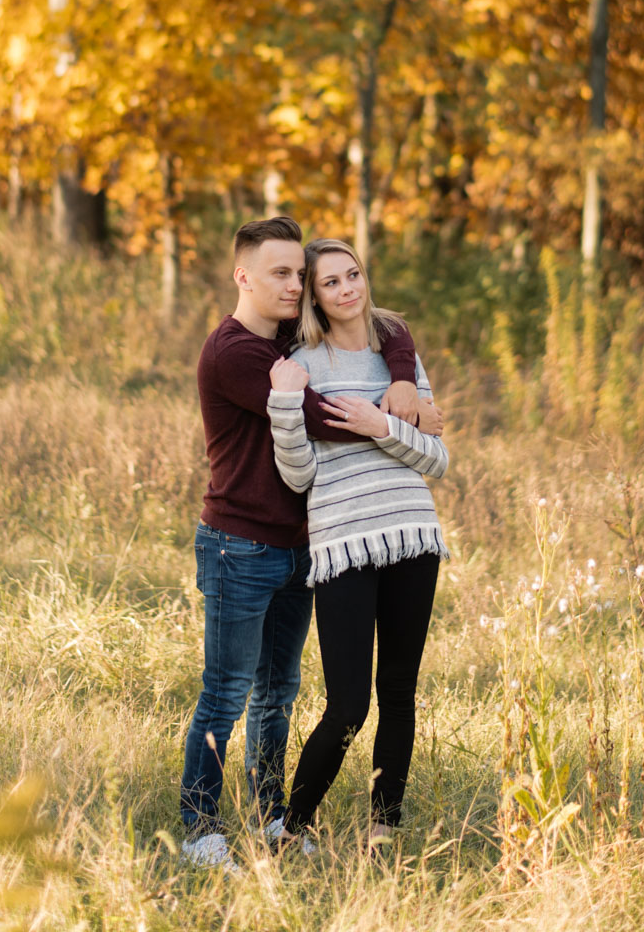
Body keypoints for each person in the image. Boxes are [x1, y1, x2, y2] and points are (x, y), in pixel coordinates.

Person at [179, 215, 442, 869]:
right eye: (284, 274)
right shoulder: (242, 353)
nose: (297, 285)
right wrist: (403, 418)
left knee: (278, 691)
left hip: (299, 543)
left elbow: (383, 332)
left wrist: (403, 379)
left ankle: (273, 815)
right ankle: (199, 828)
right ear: (243, 276)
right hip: (240, 543)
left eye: (301, 274)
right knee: (227, 690)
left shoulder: (295, 341)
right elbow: (321, 424)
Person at [266, 237, 449, 849]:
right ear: (314, 297)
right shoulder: (301, 367)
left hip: (411, 537)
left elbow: (436, 457)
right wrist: (287, 407)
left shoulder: (397, 357)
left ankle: (384, 831)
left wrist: (380, 425)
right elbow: (298, 475)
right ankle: (293, 829)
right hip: (344, 544)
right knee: (347, 704)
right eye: (332, 283)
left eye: (355, 275)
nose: (348, 290)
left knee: (399, 690)